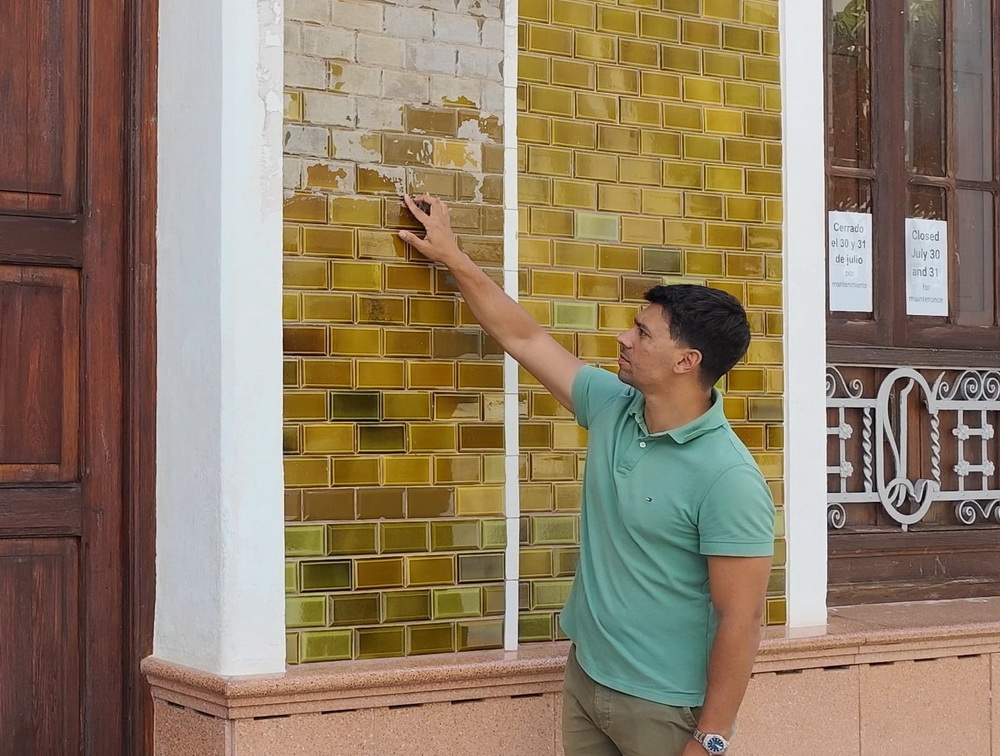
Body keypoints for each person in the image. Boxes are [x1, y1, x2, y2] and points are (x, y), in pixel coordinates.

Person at [398, 194, 776, 756]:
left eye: (643, 333)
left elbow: (741, 620)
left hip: (666, 708)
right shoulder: (612, 406)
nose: (624, 338)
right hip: (587, 681)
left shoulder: (728, 477)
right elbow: (525, 338)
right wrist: (454, 257)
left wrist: (711, 739)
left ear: (686, 361)